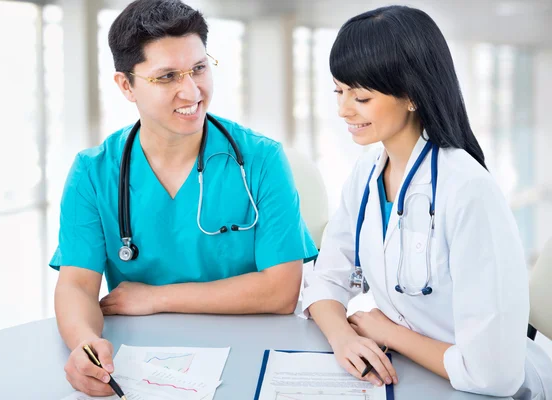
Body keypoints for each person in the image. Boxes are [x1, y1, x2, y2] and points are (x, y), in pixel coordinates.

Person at [51, 0, 317, 396]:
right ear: (126, 85)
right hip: (146, 366)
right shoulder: (93, 172)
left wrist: (156, 297)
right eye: (167, 77)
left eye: (198, 68)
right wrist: (85, 343)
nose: (191, 90)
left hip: (255, 354)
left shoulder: (261, 159)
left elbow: (281, 291)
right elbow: (76, 286)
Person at [300, 5, 552, 399]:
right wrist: (343, 339)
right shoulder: (367, 173)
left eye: (361, 97)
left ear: (412, 96)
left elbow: (494, 374)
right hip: (417, 374)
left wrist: (387, 332)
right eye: (339, 91)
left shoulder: (467, 190)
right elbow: (326, 279)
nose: (343, 110)